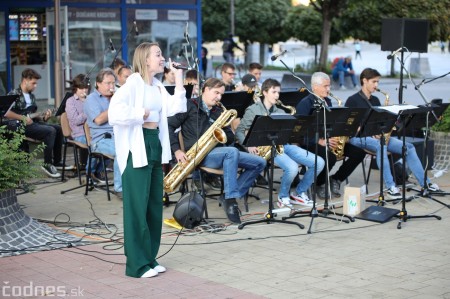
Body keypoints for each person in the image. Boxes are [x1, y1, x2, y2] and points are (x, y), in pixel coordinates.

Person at [109, 42, 187, 279]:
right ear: (145, 59)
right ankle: (137, 265)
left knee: (153, 205)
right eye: (158, 54)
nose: (162, 58)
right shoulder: (133, 83)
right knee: (136, 208)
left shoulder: (157, 86)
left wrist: (180, 79)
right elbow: (114, 113)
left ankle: (150, 258)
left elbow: (176, 108)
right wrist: (139, 113)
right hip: (137, 147)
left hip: (154, 145)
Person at [167, 78, 266, 224]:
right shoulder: (189, 105)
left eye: (221, 94)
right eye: (216, 93)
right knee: (231, 152)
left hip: (220, 153)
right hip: (196, 155)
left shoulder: (219, 110)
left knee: (260, 162)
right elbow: (169, 126)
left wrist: (223, 134)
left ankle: (229, 195)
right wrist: (176, 150)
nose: (219, 97)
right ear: (205, 89)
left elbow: (230, 136)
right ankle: (231, 201)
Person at [345, 68, 440, 197]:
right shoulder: (352, 100)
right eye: (374, 82)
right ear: (364, 80)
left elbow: (381, 122)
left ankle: (425, 184)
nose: (376, 85)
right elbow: (348, 125)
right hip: (357, 137)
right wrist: (369, 131)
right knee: (381, 146)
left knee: (409, 147)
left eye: (377, 82)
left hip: (377, 137)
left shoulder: (376, 100)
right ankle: (390, 186)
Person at [236, 78, 323, 207]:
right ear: (265, 92)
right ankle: (283, 197)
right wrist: (249, 145)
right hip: (265, 148)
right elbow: (239, 131)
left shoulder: (281, 111)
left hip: (283, 145)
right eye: (274, 92)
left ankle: (299, 193)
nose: (277, 95)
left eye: (278, 92)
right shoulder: (253, 110)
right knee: (292, 168)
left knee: (319, 162)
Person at [296, 72, 367, 200]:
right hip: (310, 143)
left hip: (328, 140)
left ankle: (336, 179)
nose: (328, 89)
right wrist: (319, 141)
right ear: (314, 87)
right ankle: (319, 184)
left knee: (359, 153)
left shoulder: (328, 101)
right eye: (325, 86)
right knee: (331, 157)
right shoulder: (304, 104)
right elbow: (300, 132)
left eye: (329, 86)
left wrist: (346, 130)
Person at [6, 68, 65, 178]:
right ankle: (47, 164)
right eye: (33, 83)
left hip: (32, 124)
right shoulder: (14, 93)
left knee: (58, 128)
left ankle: (57, 161)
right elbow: (6, 113)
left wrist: (45, 117)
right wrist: (22, 118)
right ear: (25, 81)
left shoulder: (32, 96)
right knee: (50, 131)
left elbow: (33, 116)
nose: (35, 86)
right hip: (20, 126)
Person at [84, 68, 122, 197]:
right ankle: (119, 188)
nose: (111, 86)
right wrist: (115, 103)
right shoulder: (91, 99)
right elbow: (99, 120)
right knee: (121, 150)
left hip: (119, 135)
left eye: (113, 83)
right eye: (108, 83)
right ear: (98, 83)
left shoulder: (116, 97)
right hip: (100, 140)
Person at [65, 74, 90, 166]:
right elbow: (76, 121)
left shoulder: (91, 99)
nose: (84, 90)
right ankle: (91, 169)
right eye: (81, 88)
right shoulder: (70, 101)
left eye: (86, 88)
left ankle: (96, 168)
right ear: (75, 88)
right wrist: (88, 110)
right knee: (95, 145)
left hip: (93, 132)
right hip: (79, 134)